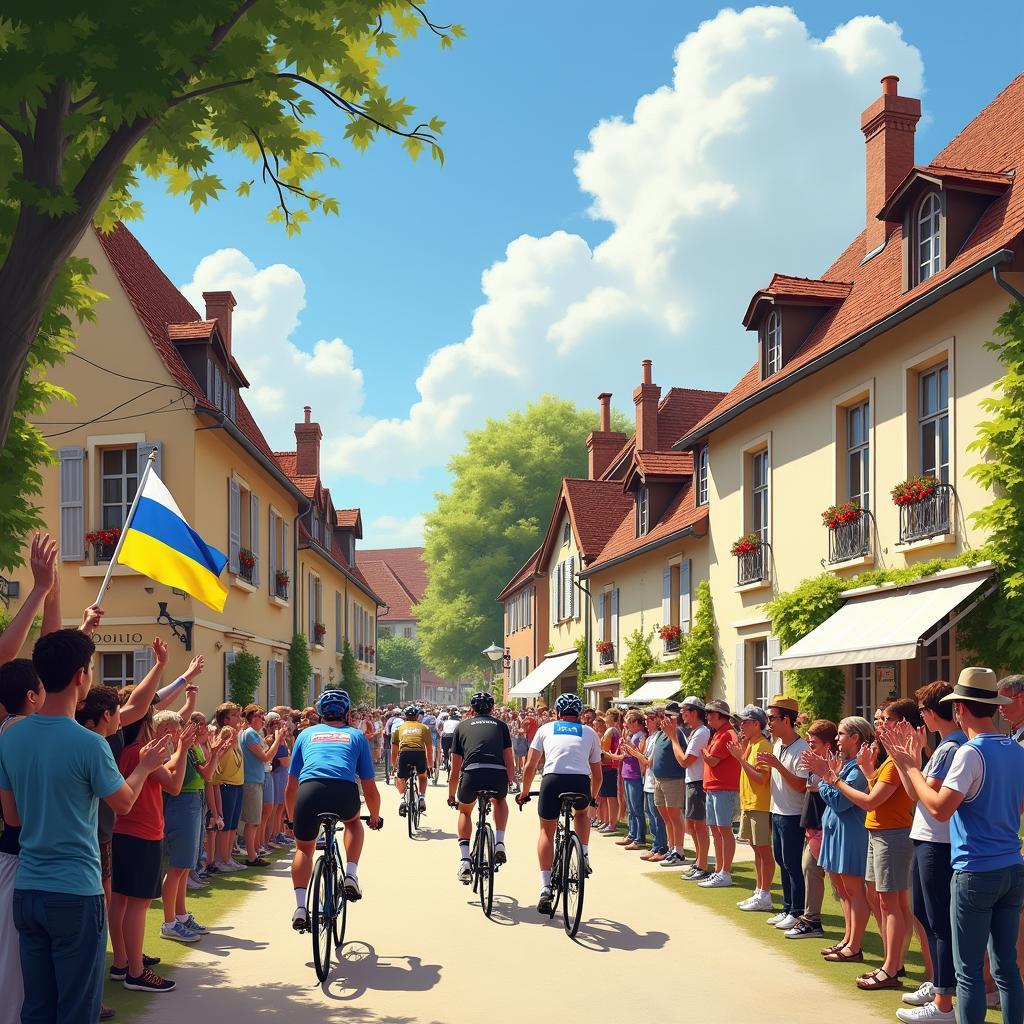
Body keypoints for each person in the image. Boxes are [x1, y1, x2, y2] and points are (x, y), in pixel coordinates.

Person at [0, 629, 165, 1021]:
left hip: (29, 890)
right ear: (80, 675)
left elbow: (13, 818)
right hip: (75, 891)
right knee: (77, 1009)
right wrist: (144, 767)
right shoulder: (89, 742)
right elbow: (123, 802)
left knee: (37, 1006)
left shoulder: (10, 736)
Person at [882, 668, 1024, 1024]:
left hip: (975, 870)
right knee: (1006, 966)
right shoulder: (1015, 747)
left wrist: (912, 768)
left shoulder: (970, 752)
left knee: (969, 971)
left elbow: (939, 809)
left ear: (959, 708)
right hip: (1010, 865)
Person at [882, 682, 965, 1022]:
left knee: (940, 923)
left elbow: (926, 798)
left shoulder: (951, 747)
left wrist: (910, 763)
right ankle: (939, 985)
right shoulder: (945, 745)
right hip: (928, 840)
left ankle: (945, 1002)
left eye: (921, 711)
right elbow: (915, 792)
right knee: (925, 917)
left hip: (938, 843)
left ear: (931, 713)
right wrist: (908, 761)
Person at [110, 710, 199, 991]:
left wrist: (181, 749)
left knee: (121, 900)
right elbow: (173, 784)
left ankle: (123, 961)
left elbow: (164, 769)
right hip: (143, 833)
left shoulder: (127, 749)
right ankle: (135, 972)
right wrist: (184, 749)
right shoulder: (140, 751)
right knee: (138, 904)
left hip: (122, 832)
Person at [285, 689, 381, 929]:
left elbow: (290, 787)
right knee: (353, 822)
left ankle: (300, 907)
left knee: (304, 849)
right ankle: (350, 874)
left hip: (310, 791)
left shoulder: (305, 735)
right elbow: (369, 787)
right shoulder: (356, 736)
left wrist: (291, 819)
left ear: (320, 714)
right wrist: (375, 816)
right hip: (343, 791)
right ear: (347, 714)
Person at [517, 693, 602, 913]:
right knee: (582, 814)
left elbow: (530, 766)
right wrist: (592, 797)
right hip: (580, 780)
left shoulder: (546, 729)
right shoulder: (590, 732)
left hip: (552, 780)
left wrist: (523, 792)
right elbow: (598, 775)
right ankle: (583, 853)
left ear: (556, 713)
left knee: (547, 831)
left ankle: (545, 886)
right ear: (580, 714)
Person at [0, 659, 45, 1024]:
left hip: (15, 853)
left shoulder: (12, 728)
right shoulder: (20, 730)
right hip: (18, 855)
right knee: (14, 956)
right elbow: (14, 815)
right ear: (32, 696)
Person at [447, 692, 514, 881]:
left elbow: (455, 769)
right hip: (496, 774)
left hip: (472, 775)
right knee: (500, 800)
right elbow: (510, 761)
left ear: (471, 709)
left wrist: (452, 796)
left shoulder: (462, 726)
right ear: (492, 709)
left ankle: (465, 860)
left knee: (465, 811)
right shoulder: (502, 726)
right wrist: (511, 781)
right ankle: (499, 842)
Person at [757, 695, 809, 932]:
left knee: (792, 864)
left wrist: (777, 766)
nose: (769, 723)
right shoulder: (778, 744)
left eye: (773, 718)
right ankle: (787, 908)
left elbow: (800, 785)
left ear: (786, 720)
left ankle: (797, 911)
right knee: (781, 860)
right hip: (777, 811)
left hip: (793, 814)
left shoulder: (801, 748)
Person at [787, 719, 836, 940]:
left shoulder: (833, 763)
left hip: (824, 827)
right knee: (810, 869)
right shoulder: (815, 760)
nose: (809, 745)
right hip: (813, 825)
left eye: (813, 741)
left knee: (838, 883)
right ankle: (811, 919)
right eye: (808, 740)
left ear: (827, 744)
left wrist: (820, 778)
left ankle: (813, 920)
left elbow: (822, 788)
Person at [727, 704, 774, 912]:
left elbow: (761, 778)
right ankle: (759, 891)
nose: (740, 726)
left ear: (757, 724)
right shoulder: (752, 744)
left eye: (745, 722)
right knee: (756, 850)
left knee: (763, 851)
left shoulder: (763, 745)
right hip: (750, 803)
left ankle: (765, 894)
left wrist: (740, 759)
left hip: (760, 805)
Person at [657, 699, 705, 873]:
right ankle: (690, 858)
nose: (666, 719)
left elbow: (684, 761)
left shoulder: (687, 732)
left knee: (695, 825)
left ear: (693, 712)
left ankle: (692, 859)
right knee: (690, 825)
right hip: (682, 781)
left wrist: (672, 737)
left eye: (683, 712)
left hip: (685, 781)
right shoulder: (689, 732)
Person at [699, 698, 740, 888]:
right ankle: (719, 870)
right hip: (715, 787)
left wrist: (705, 755)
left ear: (718, 715)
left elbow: (712, 760)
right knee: (717, 830)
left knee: (723, 830)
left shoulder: (726, 733)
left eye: (709, 713)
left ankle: (725, 872)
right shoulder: (720, 733)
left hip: (723, 788)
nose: (707, 716)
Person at [239, 705, 285, 868]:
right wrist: (278, 739)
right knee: (253, 821)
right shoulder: (251, 734)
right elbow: (266, 757)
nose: (263, 718)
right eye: (259, 715)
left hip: (256, 779)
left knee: (255, 821)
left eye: (263, 715)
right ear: (251, 718)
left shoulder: (253, 734)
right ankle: (252, 856)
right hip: (251, 780)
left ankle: (254, 853)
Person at [392, 704, 433, 816]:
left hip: (404, 753)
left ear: (405, 716)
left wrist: (394, 766)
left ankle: (402, 799)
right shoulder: (424, 728)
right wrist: (430, 767)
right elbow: (429, 749)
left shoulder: (398, 729)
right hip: (419, 753)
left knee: (400, 778)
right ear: (417, 716)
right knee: (422, 777)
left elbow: (394, 750)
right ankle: (421, 798)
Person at [616, 711, 648, 850]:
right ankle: (632, 834)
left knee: (636, 807)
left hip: (635, 775)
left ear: (636, 722)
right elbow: (627, 754)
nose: (626, 725)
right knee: (631, 807)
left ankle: (639, 837)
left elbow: (638, 754)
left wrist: (628, 745)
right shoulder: (633, 735)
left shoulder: (641, 736)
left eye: (628, 722)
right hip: (628, 773)